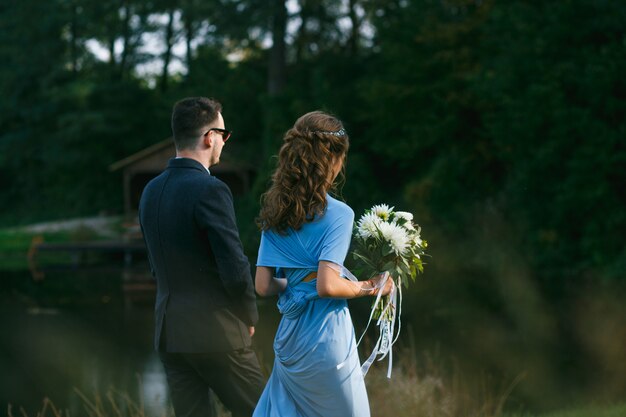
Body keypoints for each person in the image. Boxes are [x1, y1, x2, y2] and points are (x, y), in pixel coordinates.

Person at [253, 111, 394, 417]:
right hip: (324, 340)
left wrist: (296, 284)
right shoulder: (339, 214)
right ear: (333, 159)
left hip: (290, 338)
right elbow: (327, 285)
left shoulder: (275, 211)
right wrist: (370, 287)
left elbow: (263, 286)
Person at [139, 97, 265, 417]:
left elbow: (156, 265)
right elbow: (234, 266)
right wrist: (248, 315)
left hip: (170, 334)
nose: (224, 142)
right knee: (266, 412)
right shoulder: (211, 189)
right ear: (210, 137)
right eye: (224, 134)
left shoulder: (150, 191)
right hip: (217, 332)